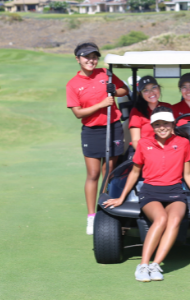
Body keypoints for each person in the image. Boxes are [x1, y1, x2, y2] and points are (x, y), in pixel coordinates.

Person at [103, 107, 190, 282]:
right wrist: (121, 198)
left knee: (174, 220)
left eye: (165, 123)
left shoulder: (182, 143)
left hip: (175, 191)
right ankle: (143, 265)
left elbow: (188, 175)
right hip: (150, 191)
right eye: (157, 124)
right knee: (161, 219)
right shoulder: (144, 144)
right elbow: (135, 173)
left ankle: (155, 264)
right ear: (152, 126)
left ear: (172, 124)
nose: (162, 127)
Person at [66, 42, 129, 235]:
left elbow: (124, 90)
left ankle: (106, 211)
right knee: (93, 173)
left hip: (113, 126)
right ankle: (92, 216)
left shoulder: (105, 74)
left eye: (94, 57)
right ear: (78, 59)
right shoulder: (73, 84)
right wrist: (102, 103)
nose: (91, 60)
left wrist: (114, 90)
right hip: (92, 131)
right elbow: (78, 113)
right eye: (86, 57)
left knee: (109, 172)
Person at [128, 76, 171, 158]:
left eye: (153, 87)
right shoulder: (137, 111)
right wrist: (149, 155)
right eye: (145, 90)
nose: (151, 92)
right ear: (140, 94)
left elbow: (173, 134)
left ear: (159, 88)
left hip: (165, 149)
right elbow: (135, 140)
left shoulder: (167, 107)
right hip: (143, 150)